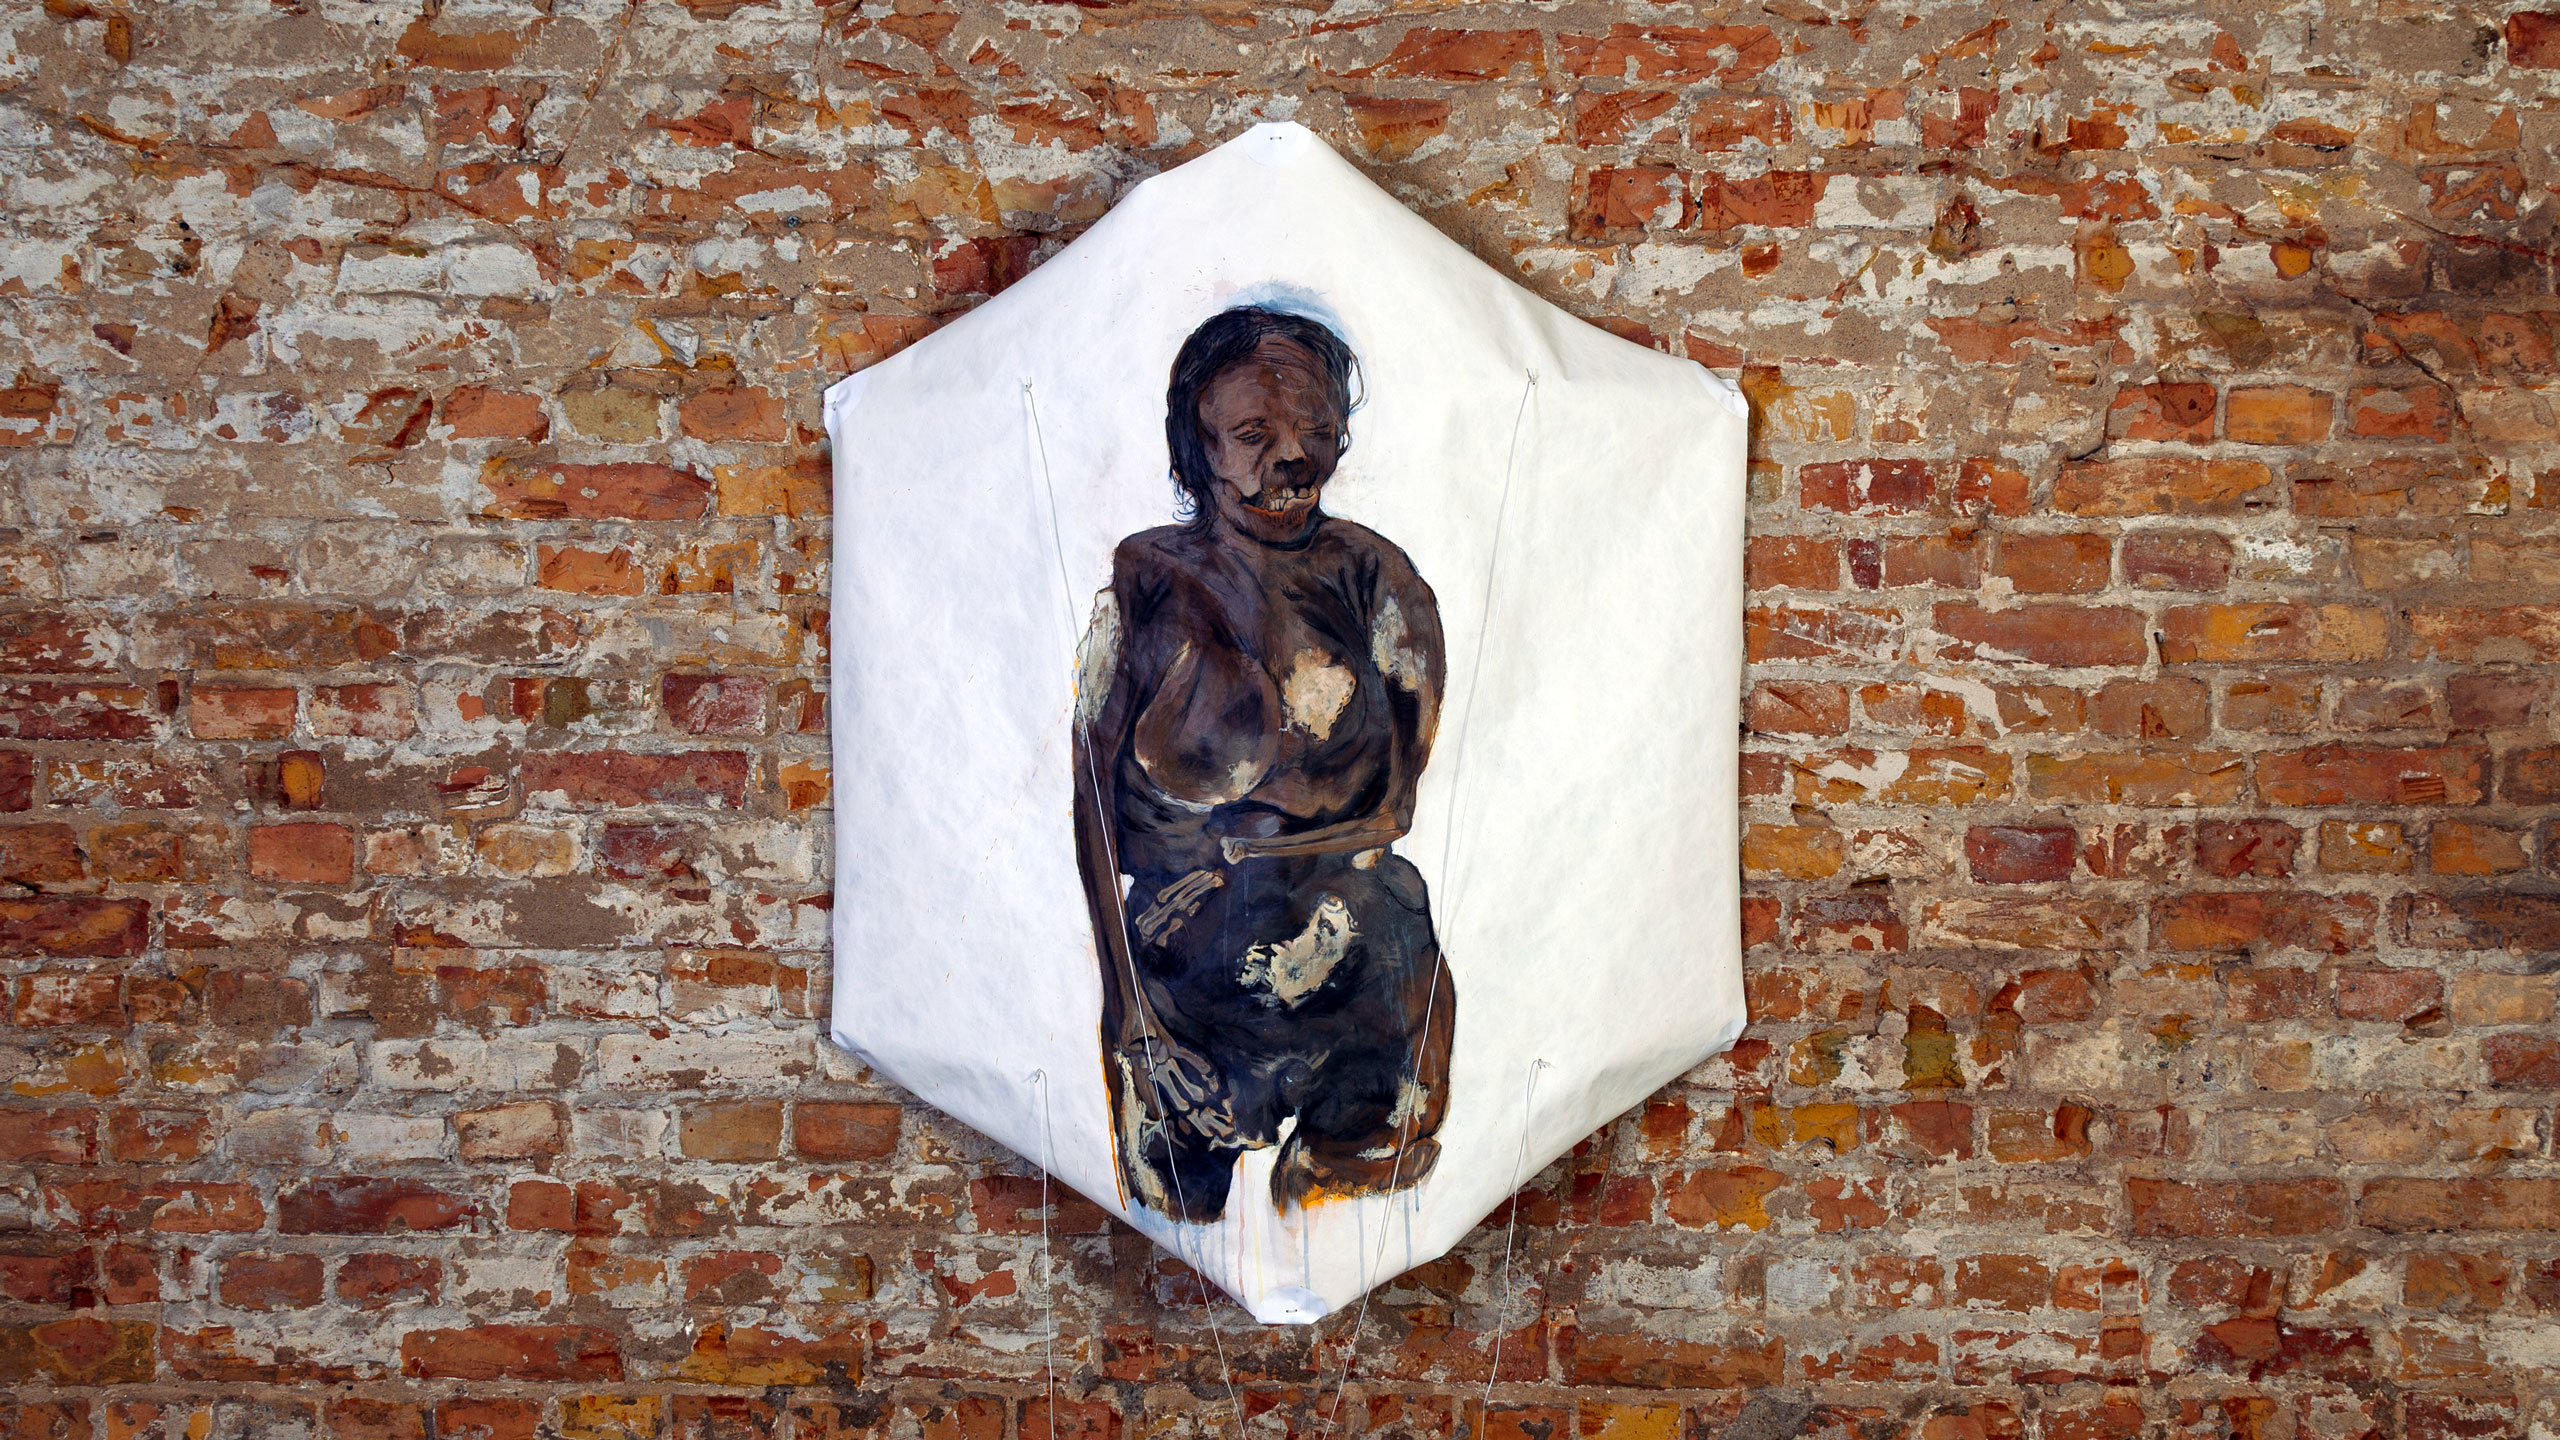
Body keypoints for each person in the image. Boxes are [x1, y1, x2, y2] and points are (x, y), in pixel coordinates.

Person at [1071, 306, 1456, 1223]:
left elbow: (1395, 812)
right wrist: (1133, 1020)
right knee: (1170, 1241)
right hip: (1180, 999)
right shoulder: (1145, 580)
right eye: (1253, 434)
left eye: (1315, 429)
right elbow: (1090, 805)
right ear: (1197, 449)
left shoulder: (1377, 577)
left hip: (1364, 974)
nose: (1292, 456)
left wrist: (1232, 859)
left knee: (1348, 1233)